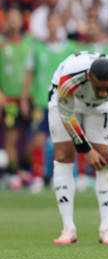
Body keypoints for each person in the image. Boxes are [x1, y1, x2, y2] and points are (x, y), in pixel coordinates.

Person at [50, 52, 108, 245]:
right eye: (99, 88)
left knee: (104, 158)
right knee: (64, 155)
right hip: (68, 101)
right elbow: (66, 115)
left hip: (101, 108)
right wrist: (85, 149)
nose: (102, 93)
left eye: (107, 89)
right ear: (90, 78)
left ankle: (106, 228)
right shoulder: (69, 81)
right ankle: (68, 229)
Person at [21, 12, 77, 192]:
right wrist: (24, 98)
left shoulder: (70, 48)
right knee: (38, 140)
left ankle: (57, 177)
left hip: (63, 103)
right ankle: (37, 176)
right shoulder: (37, 48)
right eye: (50, 22)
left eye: (56, 21)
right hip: (41, 102)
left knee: (62, 142)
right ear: (47, 25)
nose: (53, 25)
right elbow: (29, 74)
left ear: (61, 24)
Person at [0, 7, 33, 189]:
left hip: (29, 98)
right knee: (10, 138)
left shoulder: (30, 43)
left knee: (31, 137)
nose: (13, 21)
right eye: (10, 18)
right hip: (10, 98)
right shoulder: (2, 44)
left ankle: (27, 171)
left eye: (16, 18)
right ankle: (13, 174)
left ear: (22, 21)